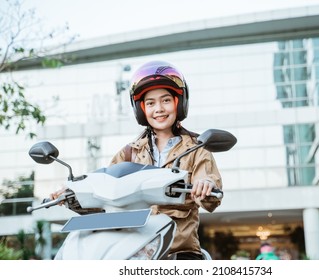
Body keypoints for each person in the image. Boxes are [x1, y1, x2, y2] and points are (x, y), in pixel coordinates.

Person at [52, 60, 222, 260]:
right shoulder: (128, 153)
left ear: (179, 102)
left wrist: (206, 185)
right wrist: (72, 195)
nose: (158, 108)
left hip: (177, 250)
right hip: (131, 247)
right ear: (141, 108)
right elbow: (104, 193)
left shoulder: (196, 148)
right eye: (150, 103)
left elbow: (210, 192)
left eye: (166, 100)